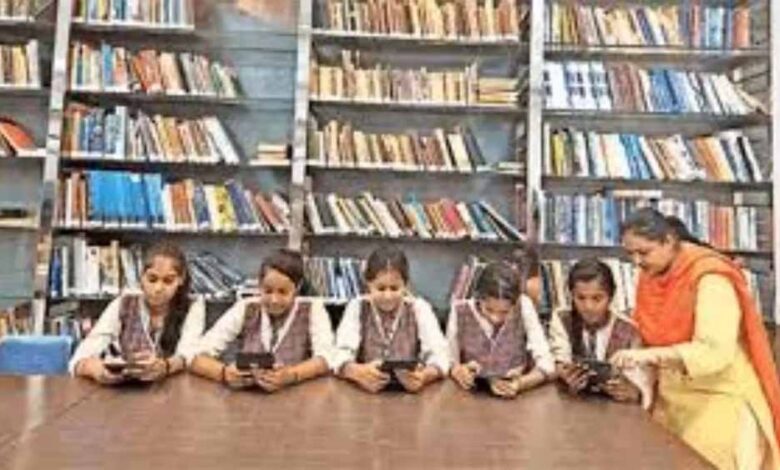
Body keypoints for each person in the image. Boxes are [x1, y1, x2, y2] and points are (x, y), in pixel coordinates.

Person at [612, 207, 780, 470]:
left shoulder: (710, 277)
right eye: (630, 254)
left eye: (643, 252)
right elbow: (647, 335)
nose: (636, 262)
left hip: (719, 397)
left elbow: (715, 352)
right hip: (671, 397)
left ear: (669, 241)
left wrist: (650, 356)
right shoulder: (650, 276)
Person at [190, 249, 335, 392]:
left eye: (283, 292)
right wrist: (224, 373)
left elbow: (326, 359)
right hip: (247, 397)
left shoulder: (313, 309)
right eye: (267, 291)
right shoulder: (246, 307)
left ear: (297, 287)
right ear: (259, 285)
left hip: (297, 396)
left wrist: (292, 375)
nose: (274, 300)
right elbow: (196, 356)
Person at [69, 241, 205, 385]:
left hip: (176, 390)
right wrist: (95, 369)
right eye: (152, 279)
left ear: (181, 280)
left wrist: (166, 366)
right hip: (126, 391)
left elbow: (188, 355)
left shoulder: (193, 306)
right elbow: (79, 359)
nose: (158, 288)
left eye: (168, 281)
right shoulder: (124, 303)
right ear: (141, 277)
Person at [333, 246, 449, 393]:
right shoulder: (357, 307)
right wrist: (356, 372)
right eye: (380, 288)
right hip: (364, 393)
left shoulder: (419, 308)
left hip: (410, 395)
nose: (387, 296)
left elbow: (440, 355)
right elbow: (340, 354)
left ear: (405, 285)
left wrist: (425, 376)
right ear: (368, 284)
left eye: (394, 288)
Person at [548, 258, 652, 407]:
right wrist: (564, 373)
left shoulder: (629, 330)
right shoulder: (562, 318)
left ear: (611, 297)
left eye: (597, 298)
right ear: (571, 295)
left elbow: (641, 381)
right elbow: (559, 357)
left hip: (617, 408)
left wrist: (634, 391)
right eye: (580, 298)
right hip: (573, 403)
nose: (588, 306)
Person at [447, 261, 554, 398]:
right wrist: (457, 370)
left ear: (515, 303)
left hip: (516, 396)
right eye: (489, 309)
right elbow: (449, 360)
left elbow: (547, 363)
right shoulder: (459, 310)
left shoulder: (524, 306)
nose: (495, 318)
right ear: (478, 297)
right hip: (469, 395)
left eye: (505, 312)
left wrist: (521, 383)